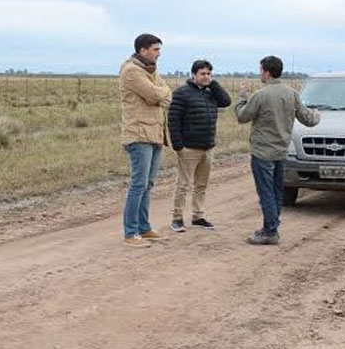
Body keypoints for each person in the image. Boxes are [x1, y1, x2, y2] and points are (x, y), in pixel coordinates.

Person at [235, 55, 320, 245]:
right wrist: (317, 115)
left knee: (265, 192)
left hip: (262, 153)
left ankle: (270, 231)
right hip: (282, 152)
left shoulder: (260, 94)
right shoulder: (291, 93)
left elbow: (242, 116)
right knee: (276, 191)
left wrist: (241, 97)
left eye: (260, 70)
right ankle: (272, 225)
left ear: (266, 71)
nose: (260, 74)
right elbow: (308, 120)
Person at [119, 33, 172, 248]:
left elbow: (167, 94)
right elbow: (155, 95)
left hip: (155, 134)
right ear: (143, 50)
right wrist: (163, 93)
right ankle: (130, 233)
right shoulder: (131, 71)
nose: (159, 54)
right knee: (138, 184)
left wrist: (163, 93)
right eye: (155, 49)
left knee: (148, 185)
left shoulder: (151, 70)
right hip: (138, 134)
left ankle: (144, 227)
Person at [168, 59, 231, 233]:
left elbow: (226, 101)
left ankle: (197, 216)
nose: (206, 77)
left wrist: (214, 84)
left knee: (201, 185)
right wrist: (178, 145)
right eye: (203, 74)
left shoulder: (211, 93)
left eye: (209, 74)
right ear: (193, 74)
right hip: (189, 148)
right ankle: (177, 218)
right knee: (183, 185)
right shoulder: (181, 93)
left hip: (207, 147)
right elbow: (173, 120)